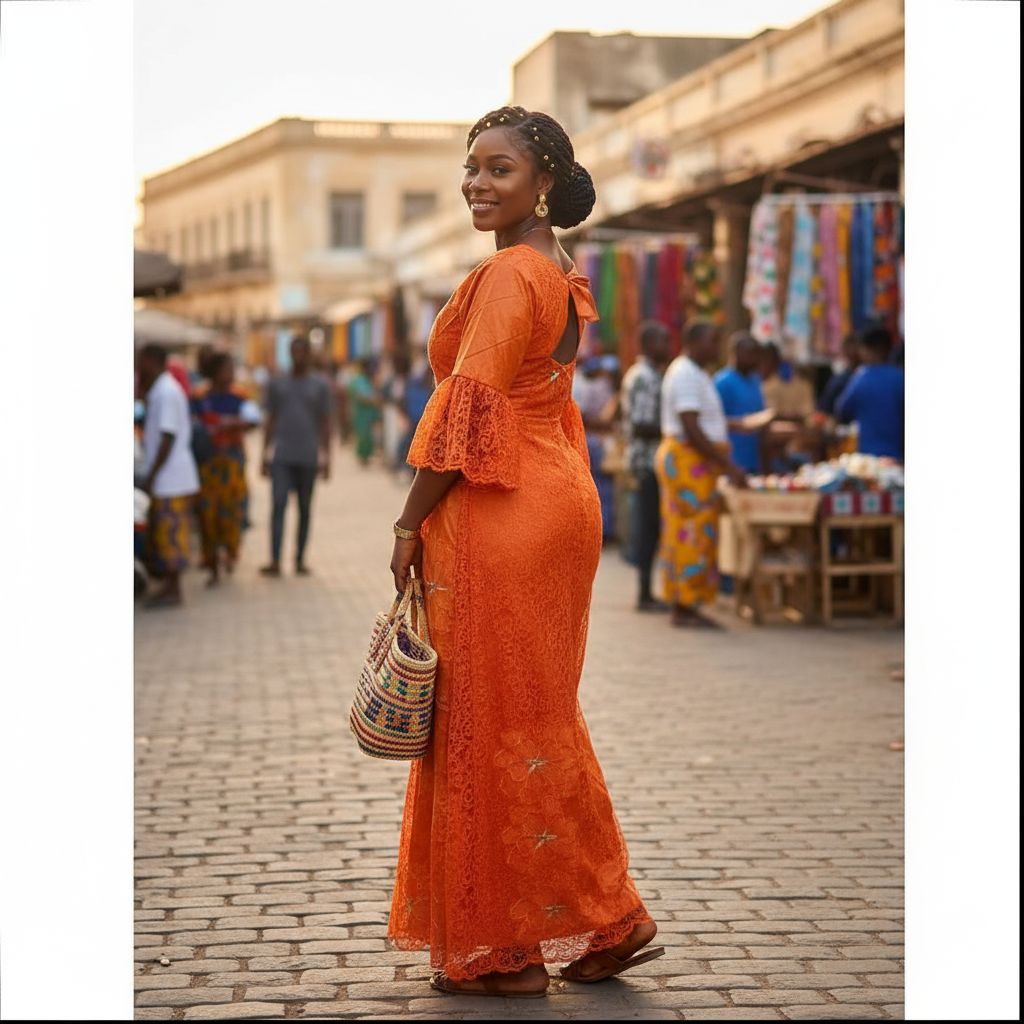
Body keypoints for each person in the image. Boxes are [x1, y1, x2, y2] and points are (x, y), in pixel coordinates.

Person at [387, 105, 661, 999]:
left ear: (543, 182)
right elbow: (548, 408)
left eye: (499, 168)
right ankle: (606, 917)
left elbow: (469, 406)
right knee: (535, 717)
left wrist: (405, 522)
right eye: (472, 167)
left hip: (503, 510)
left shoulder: (511, 273)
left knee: (487, 722)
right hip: (554, 501)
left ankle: (504, 951)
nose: (478, 182)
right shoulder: (562, 271)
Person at [655, 320, 751, 629]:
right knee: (690, 532)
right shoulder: (685, 374)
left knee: (694, 530)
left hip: (695, 462)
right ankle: (684, 605)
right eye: (712, 342)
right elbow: (691, 427)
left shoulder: (695, 373)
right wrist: (727, 465)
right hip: (688, 460)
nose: (716, 349)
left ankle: (689, 601)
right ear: (694, 342)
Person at [259, 334, 332, 577]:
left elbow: (325, 422)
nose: (298, 356)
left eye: (303, 352)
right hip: (282, 456)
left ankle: (300, 560)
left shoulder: (319, 385)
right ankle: (275, 560)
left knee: (304, 509)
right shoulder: (277, 383)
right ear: (289, 353)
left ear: (309, 354)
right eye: (295, 351)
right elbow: (269, 420)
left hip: (308, 457)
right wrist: (263, 453)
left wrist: (327, 457)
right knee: (278, 505)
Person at [136, 343, 201, 607]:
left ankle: (174, 590)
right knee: (166, 533)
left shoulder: (165, 391)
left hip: (170, 477)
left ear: (153, 361)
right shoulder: (160, 389)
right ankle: (169, 586)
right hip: (169, 476)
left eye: (141, 361)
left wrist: (152, 474)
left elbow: (168, 436)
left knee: (171, 533)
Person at [193, 353, 258, 586]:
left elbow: (254, 421)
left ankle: (230, 553)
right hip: (208, 465)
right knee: (208, 516)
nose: (231, 373)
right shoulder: (199, 396)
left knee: (232, 511)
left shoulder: (239, 395)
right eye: (227, 368)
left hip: (232, 462)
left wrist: (233, 424)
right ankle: (212, 565)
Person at [620, 320, 672, 611]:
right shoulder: (643, 377)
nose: (668, 347)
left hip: (651, 461)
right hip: (645, 462)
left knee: (651, 526)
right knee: (647, 527)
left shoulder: (651, 375)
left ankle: (649, 591)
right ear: (650, 344)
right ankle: (644, 593)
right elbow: (640, 425)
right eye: (664, 341)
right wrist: (673, 429)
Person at [835, 324, 905, 461]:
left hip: (868, 458)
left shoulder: (861, 377)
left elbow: (842, 411)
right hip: (899, 458)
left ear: (868, 349)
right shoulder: (901, 377)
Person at [572, 355, 618, 542]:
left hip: (591, 439)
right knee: (601, 487)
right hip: (595, 439)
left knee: (597, 487)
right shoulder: (595, 386)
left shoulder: (587, 385)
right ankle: (602, 530)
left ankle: (598, 530)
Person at [713, 332, 767, 474]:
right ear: (736, 353)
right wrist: (744, 424)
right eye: (751, 353)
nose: (756, 359)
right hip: (732, 461)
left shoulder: (755, 380)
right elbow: (714, 421)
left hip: (754, 459)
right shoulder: (722, 382)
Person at [348, 357, 382, 466]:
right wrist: (372, 400)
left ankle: (366, 457)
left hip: (369, 414)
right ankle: (362, 458)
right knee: (362, 436)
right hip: (360, 414)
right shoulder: (357, 380)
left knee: (369, 437)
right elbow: (359, 396)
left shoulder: (369, 379)